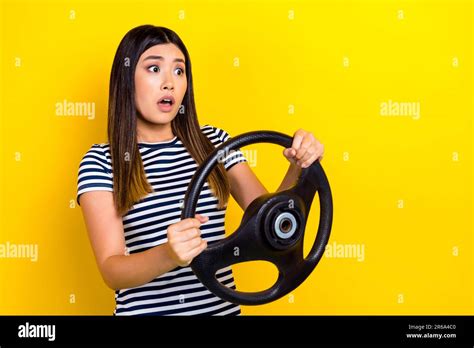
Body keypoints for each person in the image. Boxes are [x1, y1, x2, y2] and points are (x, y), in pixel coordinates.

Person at [76, 25, 325, 315]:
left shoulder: (214, 143)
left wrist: (298, 166)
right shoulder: (101, 161)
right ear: (126, 78)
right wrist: (169, 255)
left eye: (179, 71)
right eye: (154, 69)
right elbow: (112, 269)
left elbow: (269, 220)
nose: (169, 82)